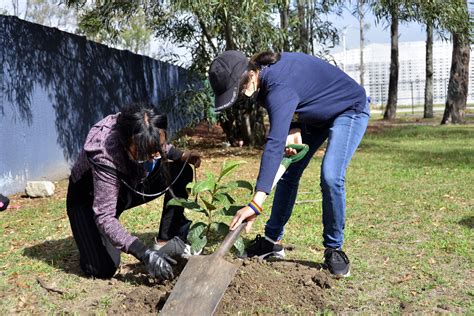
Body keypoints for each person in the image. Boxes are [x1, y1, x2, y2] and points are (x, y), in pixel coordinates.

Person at [208, 51, 370, 277]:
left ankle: (334, 248)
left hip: (348, 108)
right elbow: (301, 91)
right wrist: (294, 125)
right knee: (289, 170)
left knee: (331, 176)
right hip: (317, 115)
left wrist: (255, 204)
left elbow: (274, 144)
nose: (243, 95)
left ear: (252, 74)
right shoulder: (265, 81)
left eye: (241, 88)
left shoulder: (276, 86)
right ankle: (271, 242)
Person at [66, 103, 201, 280]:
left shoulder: (143, 127)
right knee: (103, 268)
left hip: (126, 185)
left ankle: (165, 240)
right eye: (145, 153)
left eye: (157, 151)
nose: (153, 157)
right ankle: (91, 241)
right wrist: (144, 253)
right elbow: (105, 215)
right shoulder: (104, 151)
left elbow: (155, 143)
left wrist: (182, 155)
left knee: (181, 171)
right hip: (89, 200)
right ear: (125, 142)